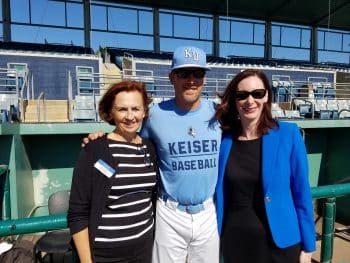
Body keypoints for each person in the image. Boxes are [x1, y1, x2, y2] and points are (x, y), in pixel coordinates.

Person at [83, 46, 221, 263]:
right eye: (184, 73)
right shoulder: (155, 115)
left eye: (198, 73)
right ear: (171, 77)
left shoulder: (219, 113)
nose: (191, 80)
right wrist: (100, 137)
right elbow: (130, 136)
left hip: (207, 211)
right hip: (170, 211)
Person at [214, 69, 316, 263]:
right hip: (236, 242)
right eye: (242, 95)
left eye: (257, 93)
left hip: (281, 243)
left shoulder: (288, 134)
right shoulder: (223, 140)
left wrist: (308, 245)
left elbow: (301, 191)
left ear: (267, 96)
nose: (250, 101)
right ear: (234, 100)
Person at [67, 80, 158, 263]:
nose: (130, 116)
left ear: (144, 112)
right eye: (122, 109)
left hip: (145, 248)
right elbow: (78, 213)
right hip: (105, 253)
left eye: (136, 109)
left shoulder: (149, 148)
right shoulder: (94, 149)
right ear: (111, 112)